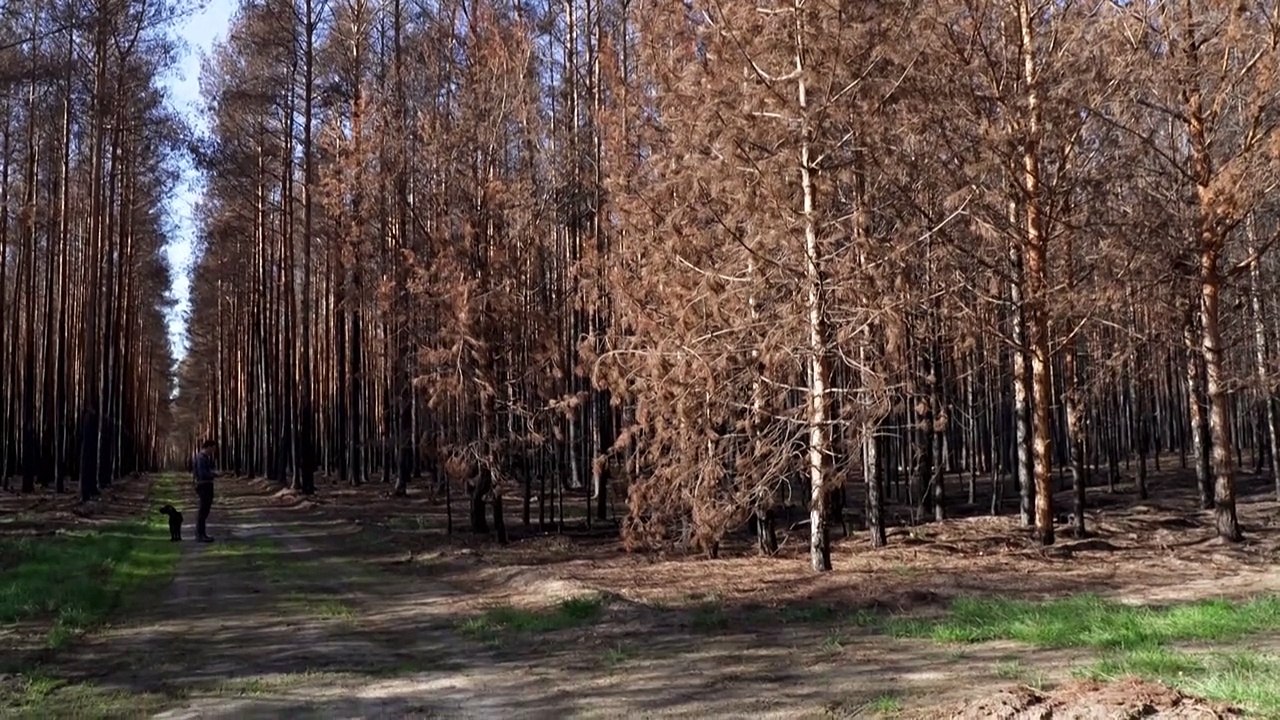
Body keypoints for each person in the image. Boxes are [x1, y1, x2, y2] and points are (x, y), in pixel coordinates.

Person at [193, 439, 218, 542]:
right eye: (213, 448)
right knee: (203, 511)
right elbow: (202, 474)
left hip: (206, 485)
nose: (213, 451)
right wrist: (214, 474)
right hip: (203, 486)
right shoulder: (201, 458)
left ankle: (202, 534)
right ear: (208, 447)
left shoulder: (204, 458)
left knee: (205, 510)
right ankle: (200, 535)